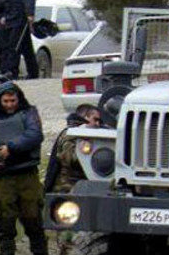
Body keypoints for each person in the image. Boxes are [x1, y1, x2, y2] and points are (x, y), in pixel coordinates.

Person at [0, 82, 48, 255]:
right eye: (5, 101)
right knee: (4, 224)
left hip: (27, 174)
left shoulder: (29, 112)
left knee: (34, 221)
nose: (9, 105)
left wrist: (11, 147)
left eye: (13, 100)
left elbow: (35, 135)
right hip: (3, 177)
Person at [44, 104, 101, 255]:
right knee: (67, 239)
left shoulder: (85, 134)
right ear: (85, 118)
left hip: (78, 191)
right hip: (67, 190)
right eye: (95, 120)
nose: (97, 124)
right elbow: (71, 158)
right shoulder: (71, 134)